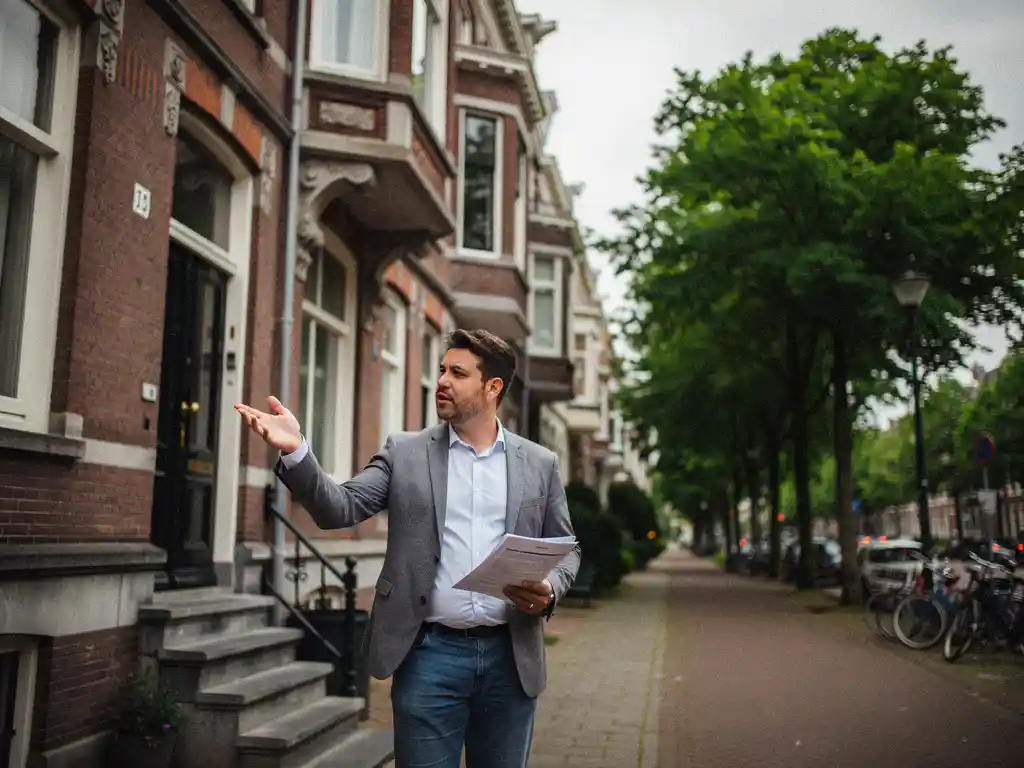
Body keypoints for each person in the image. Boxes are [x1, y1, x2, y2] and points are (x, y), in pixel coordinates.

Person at [235, 328, 580, 768]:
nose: (441, 381)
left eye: (458, 373)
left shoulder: (540, 463)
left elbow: (566, 547)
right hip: (429, 657)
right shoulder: (406, 453)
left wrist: (550, 587)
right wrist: (298, 453)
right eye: (441, 369)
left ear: (493, 387)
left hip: (511, 660)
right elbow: (341, 507)